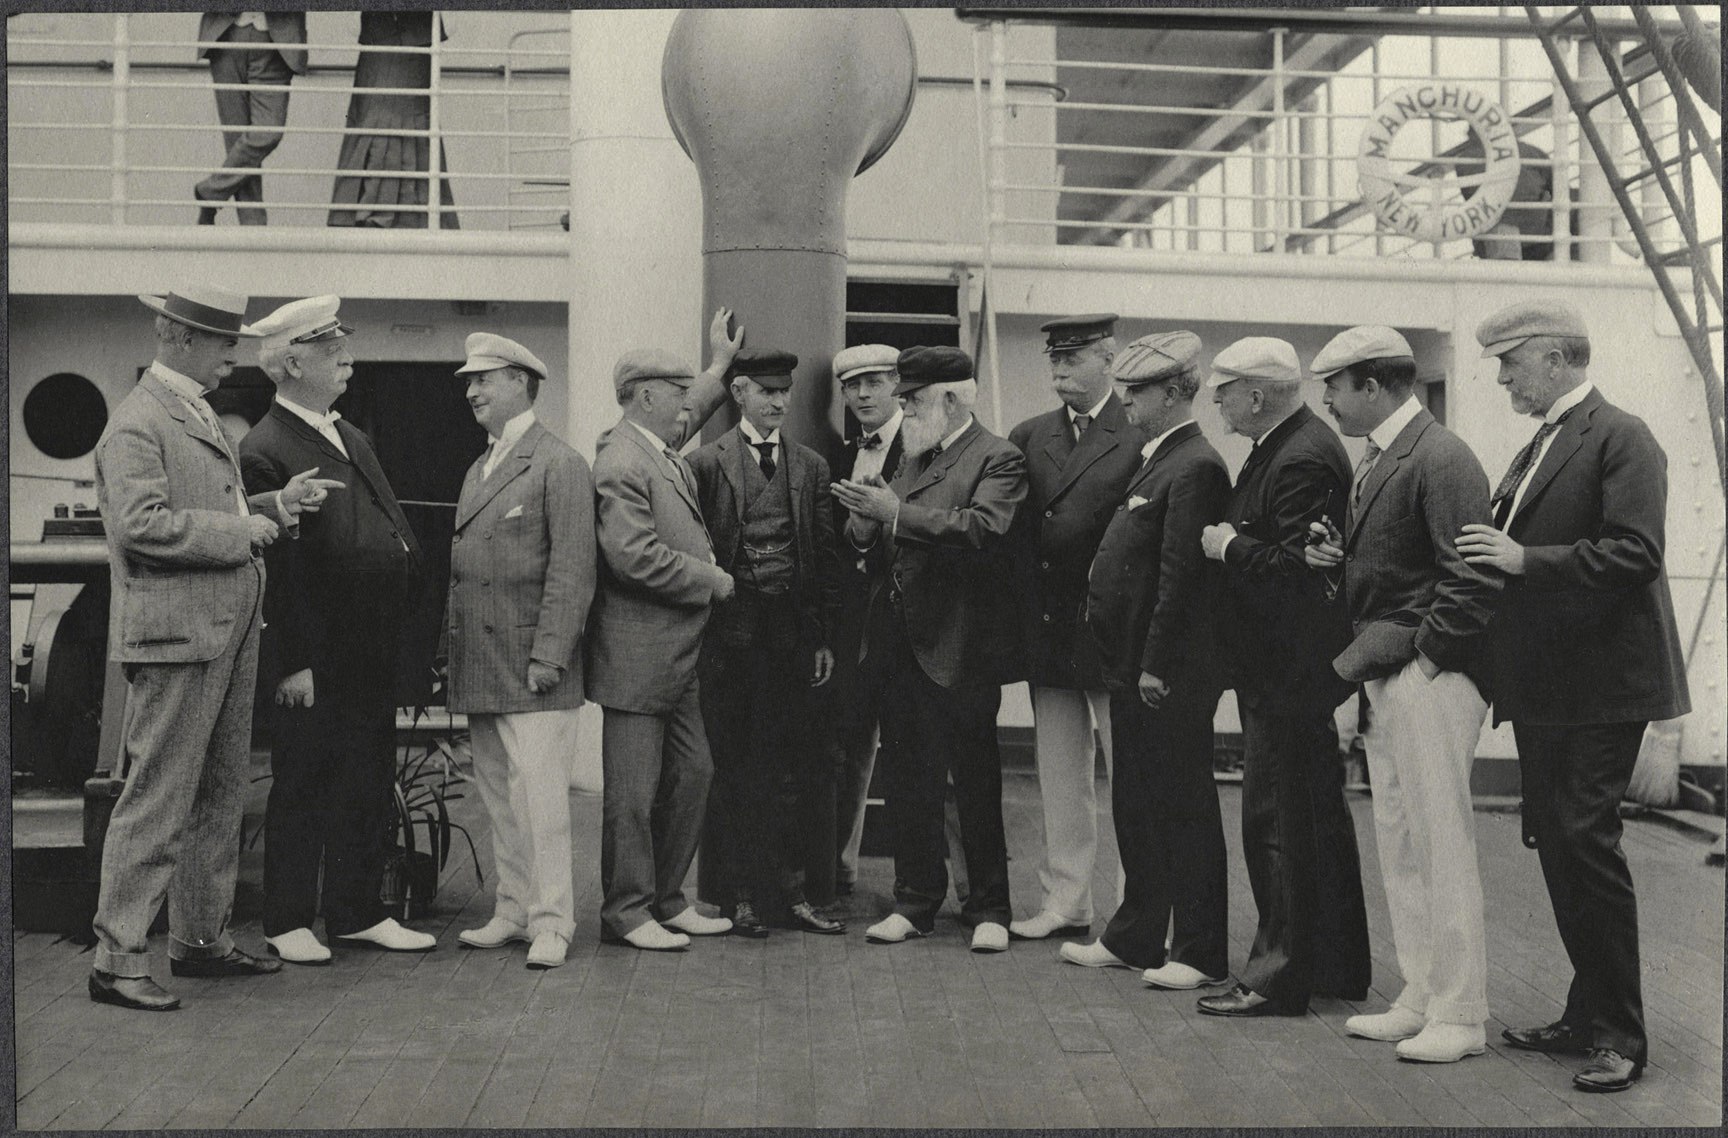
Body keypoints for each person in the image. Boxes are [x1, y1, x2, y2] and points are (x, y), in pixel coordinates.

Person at [1459, 300, 1691, 1093]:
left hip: (1605, 686)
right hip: (1552, 687)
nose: (1500, 378)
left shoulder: (1622, 437)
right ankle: (1586, 1013)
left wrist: (1525, 562)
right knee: (1558, 843)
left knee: (1585, 843)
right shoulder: (1540, 447)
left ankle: (1622, 1035)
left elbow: (1635, 552)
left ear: (1559, 359)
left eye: (1510, 362)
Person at [88, 286, 338, 1011]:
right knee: (157, 798)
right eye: (224, 342)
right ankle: (117, 957)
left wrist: (271, 507)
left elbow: (212, 506)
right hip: (178, 638)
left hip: (219, 634)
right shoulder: (139, 423)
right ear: (182, 337)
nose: (234, 356)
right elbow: (141, 526)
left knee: (220, 792)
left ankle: (198, 939)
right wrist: (240, 533)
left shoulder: (189, 410)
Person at [1304, 325, 1501, 1063]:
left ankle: (1461, 1012)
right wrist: (1338, 560)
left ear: (1376, 386)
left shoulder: (1440, 457)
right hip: (1391, 674)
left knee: (1440, 843)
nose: (1327, 398)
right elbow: (1398, 565)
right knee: (1403, 840)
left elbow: (1470, 574)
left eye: (1336, 385)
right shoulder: (1381, 457)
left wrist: (1426, 664)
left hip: (1430, 677)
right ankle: (1421, 992)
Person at [239, 296, 436, 964]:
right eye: (333, 349)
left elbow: (387, 521)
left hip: (370, 646)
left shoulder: (348, 436)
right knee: (304, 777)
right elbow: (279, 566)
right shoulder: (264, 447)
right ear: (293, 361)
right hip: (316, 652)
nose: (348, 357)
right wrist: (292, 660)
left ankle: (356, 911)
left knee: (366, 774)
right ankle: (288, 918)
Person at [1194, 336, 1372, 1015]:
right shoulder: (1290, 446)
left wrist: (1227, 545)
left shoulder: (1298, 456)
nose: (1218, 402)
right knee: (1315, 819)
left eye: (1225, 391)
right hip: (1289, 670)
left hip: (1286, 672)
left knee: (1277, 822)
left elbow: (1300, 570)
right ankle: (1333, 965)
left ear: (1257, 395)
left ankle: (1277, 977)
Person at [832, 346, 1027, 952]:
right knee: (910, 781)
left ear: (949, 398)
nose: (902, 408)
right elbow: (883, 533)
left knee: (973, 781)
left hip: (959, 648)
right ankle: (914, 901)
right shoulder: (914, 455)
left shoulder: (999, 457)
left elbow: (983, 530)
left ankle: (989, 907)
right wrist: (863, 526)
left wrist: (893, 515)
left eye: (912, 399)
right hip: (898, 648)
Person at [1062, 331, 1230, 983]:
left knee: (1181, 805)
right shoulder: (1158, 458)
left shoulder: (1196, 465)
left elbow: (1180, 577)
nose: (1126, 401)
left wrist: (1157, 663)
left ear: (1172, 393)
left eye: (1137, 391)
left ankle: (1199, 950)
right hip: (1132, 667)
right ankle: (1136, 934)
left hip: (1165, 673)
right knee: (1138, 803)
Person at [445, 332, 597, 970]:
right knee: (501, 799)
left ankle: (553, 921)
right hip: (482, 667)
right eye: (471, 382)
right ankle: (512, 909)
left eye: (484, 379)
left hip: (534, 670)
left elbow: (573, 570)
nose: (473, 391)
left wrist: (550, 657)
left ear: (520, 383)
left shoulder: (558, 463)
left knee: (542, 804)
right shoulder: (478, 466)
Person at [688, 349, 845, 937]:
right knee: (738, 770)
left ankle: (795, 895)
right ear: (739, 394)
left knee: (795, 768)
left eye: (785, 392)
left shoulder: (810, 467)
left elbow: (824, 559)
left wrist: (823, 636)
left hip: (791, 641)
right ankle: (744, 899)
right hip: (730, 641)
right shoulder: (707, 464)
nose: (778, 402)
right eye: (766, 392)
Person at [588, 349, 739, 951]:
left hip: (675, 656)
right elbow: (632, 556)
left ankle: (667, 900)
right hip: (637, 659)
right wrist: (709, 577)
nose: (686, 403)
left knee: (695, 771)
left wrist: (720, 366)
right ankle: (626, 912)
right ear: (645, 397)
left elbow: (690, 413)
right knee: (631, 795)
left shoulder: (653, 443)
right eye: (676, 391)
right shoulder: (621, 460)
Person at [1006, 314, 1144, 943]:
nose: (1059, 369)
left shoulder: (1138, 431)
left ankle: (1139, 908)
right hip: (1052, 630)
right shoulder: (1031, 436)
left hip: (1114, 633)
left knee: (1130, 775)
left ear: (1108, 359)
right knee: (1060, 773)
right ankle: (1066, 901)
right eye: (1054, 359)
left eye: (1074, 357)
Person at [827, 344, 906, 895]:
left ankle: (921, 885)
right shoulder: (840, 453)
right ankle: (841, 870)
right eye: (852, 386)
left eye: (874, 382)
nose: (861, 395)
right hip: (853, 628)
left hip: (906, 624)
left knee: (911, 752)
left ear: (897, 385)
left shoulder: (923, 446)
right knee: (850, 749)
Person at [328, 11, 459, 230]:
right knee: (378, 114)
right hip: (380, 34)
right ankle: (373, 213)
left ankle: (404, 217)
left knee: (403, 115)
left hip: (416, 37)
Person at [195, 13, 307, 226]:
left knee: (269, 131)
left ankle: (210, 191)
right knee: (237, 141)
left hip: (276, 41)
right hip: (227, 34)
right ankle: (253, 229)